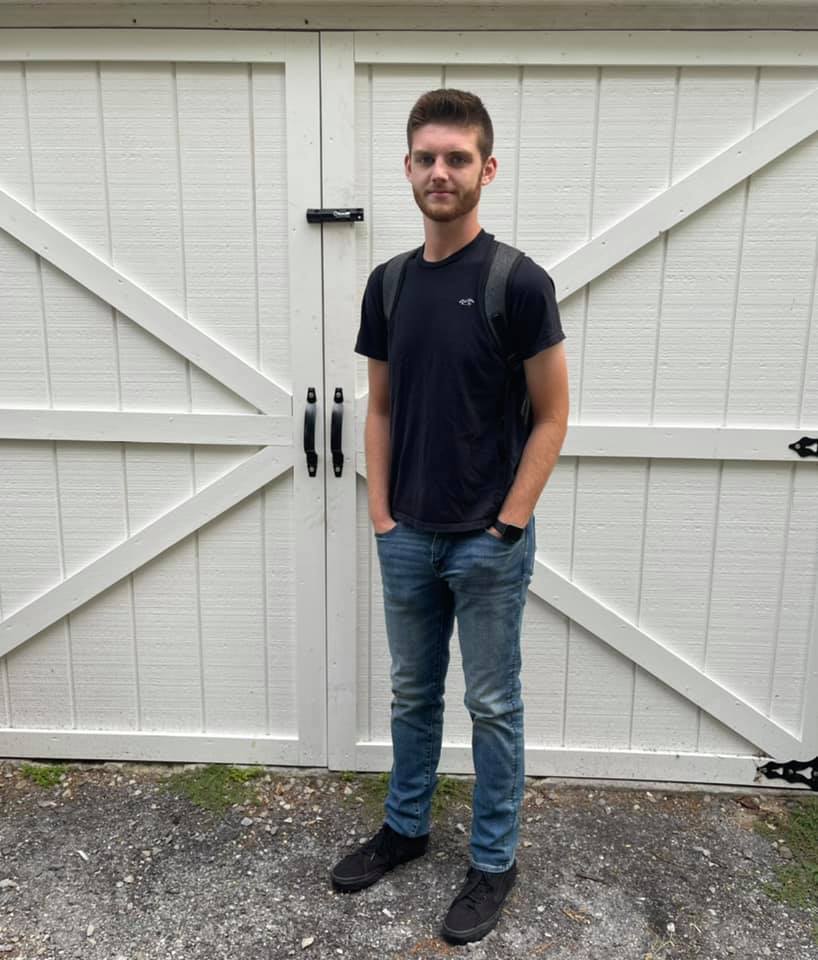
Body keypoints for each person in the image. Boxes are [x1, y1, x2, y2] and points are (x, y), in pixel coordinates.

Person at [331, 88, 569, 945]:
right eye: (427, 157)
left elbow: (553, 416)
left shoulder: (518, 283)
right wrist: (382, 517)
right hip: (408, 538)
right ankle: (405, 828)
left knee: (494, 706)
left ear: (486, 169)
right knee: (411, 695)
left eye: (458, 158)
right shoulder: (388, 283)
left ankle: (494, 862)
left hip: (487, 542)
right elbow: (383, 408)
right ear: (407, 169)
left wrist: (506, 525)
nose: (441, 171)